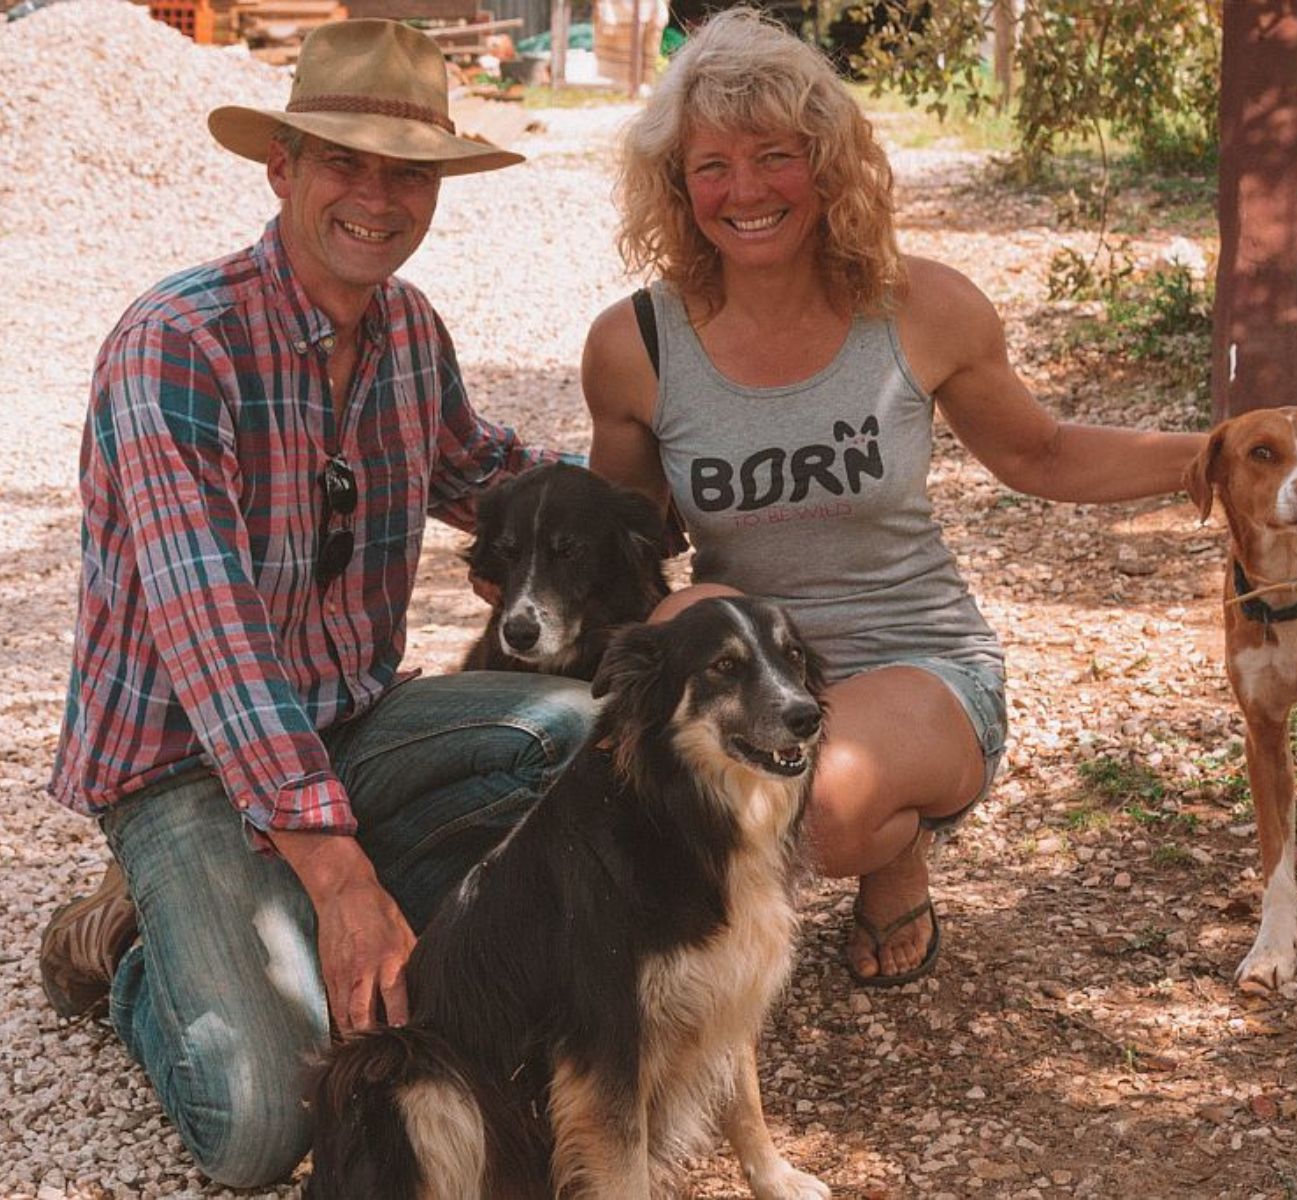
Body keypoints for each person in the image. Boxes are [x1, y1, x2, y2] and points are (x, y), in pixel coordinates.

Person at [39, 21, 595, 1188]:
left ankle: (315, 895)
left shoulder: (408, 330)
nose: (377, 199)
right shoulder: (175, 344)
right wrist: (341, 882)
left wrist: (651, 504)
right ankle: (134, 945)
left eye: (409, 172)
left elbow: (489, 475)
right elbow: (214, 642)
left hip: (350, 724)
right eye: (345, 162)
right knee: (261, 1123)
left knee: (585, 734)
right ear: (281, 166)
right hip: (186, 767)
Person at [582, 8, 1206, 988]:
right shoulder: (636, 347)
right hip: (756, 657)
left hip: (919, 662)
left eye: (775, 157)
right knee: (669, 649)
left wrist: (1221, 457)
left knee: (819, 809)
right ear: (676, 184)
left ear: (828, 165)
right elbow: (616, 540)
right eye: (712, 167)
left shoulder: (919, 308)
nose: (745, 191)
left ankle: (892, 849)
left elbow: (1042, 454)